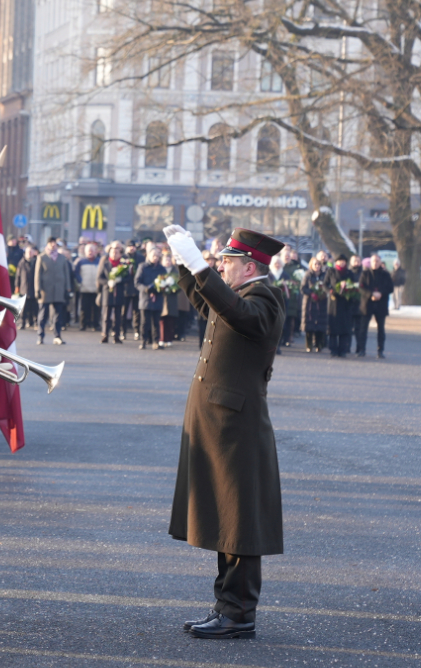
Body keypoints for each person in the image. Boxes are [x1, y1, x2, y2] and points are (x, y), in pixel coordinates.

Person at [162, 224, 285, 640]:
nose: (221, 267)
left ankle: (239, 612)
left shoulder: (264, 299)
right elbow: (208, 302)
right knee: (226, 519)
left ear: (249, 267)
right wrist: (185, 265)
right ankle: (226, 606)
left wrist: (199, 265)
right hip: (222, 425)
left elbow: (237, 313)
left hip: (237, 427)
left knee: (239, 522)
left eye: (227, 262)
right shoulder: (240, 296)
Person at [34, 236, 72, 345]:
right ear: (48, 244)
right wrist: (37, 289)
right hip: (45, 290)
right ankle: (40, 336)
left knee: (58, 315)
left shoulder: (62, 258)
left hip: (59, 290)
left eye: (54, 242)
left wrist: (68, 287)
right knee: (43, 315)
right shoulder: (42, 257)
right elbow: (37, 275)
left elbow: (66, 273)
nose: (53, 244)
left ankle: (57, 336)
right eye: (51, 242)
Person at [135, 242, 168, 350]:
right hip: (145, 298)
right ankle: (143, 341)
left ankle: (156, 341)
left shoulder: (162, 269)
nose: (155, 258)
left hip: (157, 298)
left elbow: (166, 282)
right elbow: (137, 282)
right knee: (145, 322)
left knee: (156, 322)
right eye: (153, 256)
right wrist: (146, 288)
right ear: (149, 256)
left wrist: (161, 288)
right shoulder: (142, 267)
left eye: (157, 256)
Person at [360, 255, 393, 358]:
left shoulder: (386, 274)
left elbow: (390, 288)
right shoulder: (365, 273)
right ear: (371, 262)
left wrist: (380, 293)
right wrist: (371, 294)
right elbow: (361, 287)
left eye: (377, 261)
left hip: (381, 304)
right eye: (374, 261)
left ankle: (380, 350)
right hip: (367, 303)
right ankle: (362, 349)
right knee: (363, 328)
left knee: (381, 329)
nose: (375, 263)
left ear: (380, 262)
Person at [98, 242, 132, 344]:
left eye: (116, 253)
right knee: (106, 315)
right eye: (112, 252)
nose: (114, 254)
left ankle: (116, 335)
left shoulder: (123, 265)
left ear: (120, 254)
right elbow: (99, 278)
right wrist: (108, 282)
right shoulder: (105, 263)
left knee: (118, 316)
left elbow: (128, 278)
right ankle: (105, 334)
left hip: (119, 292)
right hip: (107, 292)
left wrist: (119, 280)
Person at [327, 259, 358, 357]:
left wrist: (350, 292)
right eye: (339, 261)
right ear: (336, 262)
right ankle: (333, 349)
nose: (341, 263)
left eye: (343, 261)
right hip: (334, 302)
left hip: (346, 303)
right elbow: (325, 284)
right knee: (333, 327)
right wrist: (330, 291)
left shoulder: (349, 273)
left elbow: (354, 286)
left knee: (345, 328)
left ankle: (343, 350)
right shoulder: (331, 272)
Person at [301, 254, 330, 352]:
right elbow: (303, 288)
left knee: (320, 325)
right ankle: (309, 345)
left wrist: (323, 293)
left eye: (319, 264)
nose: (317, 266)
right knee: (309, 325)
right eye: (315, 264)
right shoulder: (308, 275)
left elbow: (327, 286)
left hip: (322, 303)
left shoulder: (324, 275)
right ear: (311, 265)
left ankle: (319, 345)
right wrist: (311, 293)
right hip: (310, 303)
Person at [73, 242, 102, 331]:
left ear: (95, 251)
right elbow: (76, 273)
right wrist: (80, 281)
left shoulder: (99, 261)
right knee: (84, 308)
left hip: (96, 289)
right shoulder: (81, 261)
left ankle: (95, 325)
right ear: (85, 252)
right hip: (84, 288)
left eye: (92, 250)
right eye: (89, 251)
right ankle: (83, 324)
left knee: (96, 308)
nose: (90, 252)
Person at [14, 241, 40, 331]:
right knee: (24, 308)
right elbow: (18, 276)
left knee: (35, 307)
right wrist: (17, 286)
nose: (29, 253)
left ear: (33, 253)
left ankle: (35, 323)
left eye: (31, 252)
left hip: (34, 288)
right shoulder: (21, 263)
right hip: (24, 288)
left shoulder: (36, 262)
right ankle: (22, 323)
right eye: (28, 252)